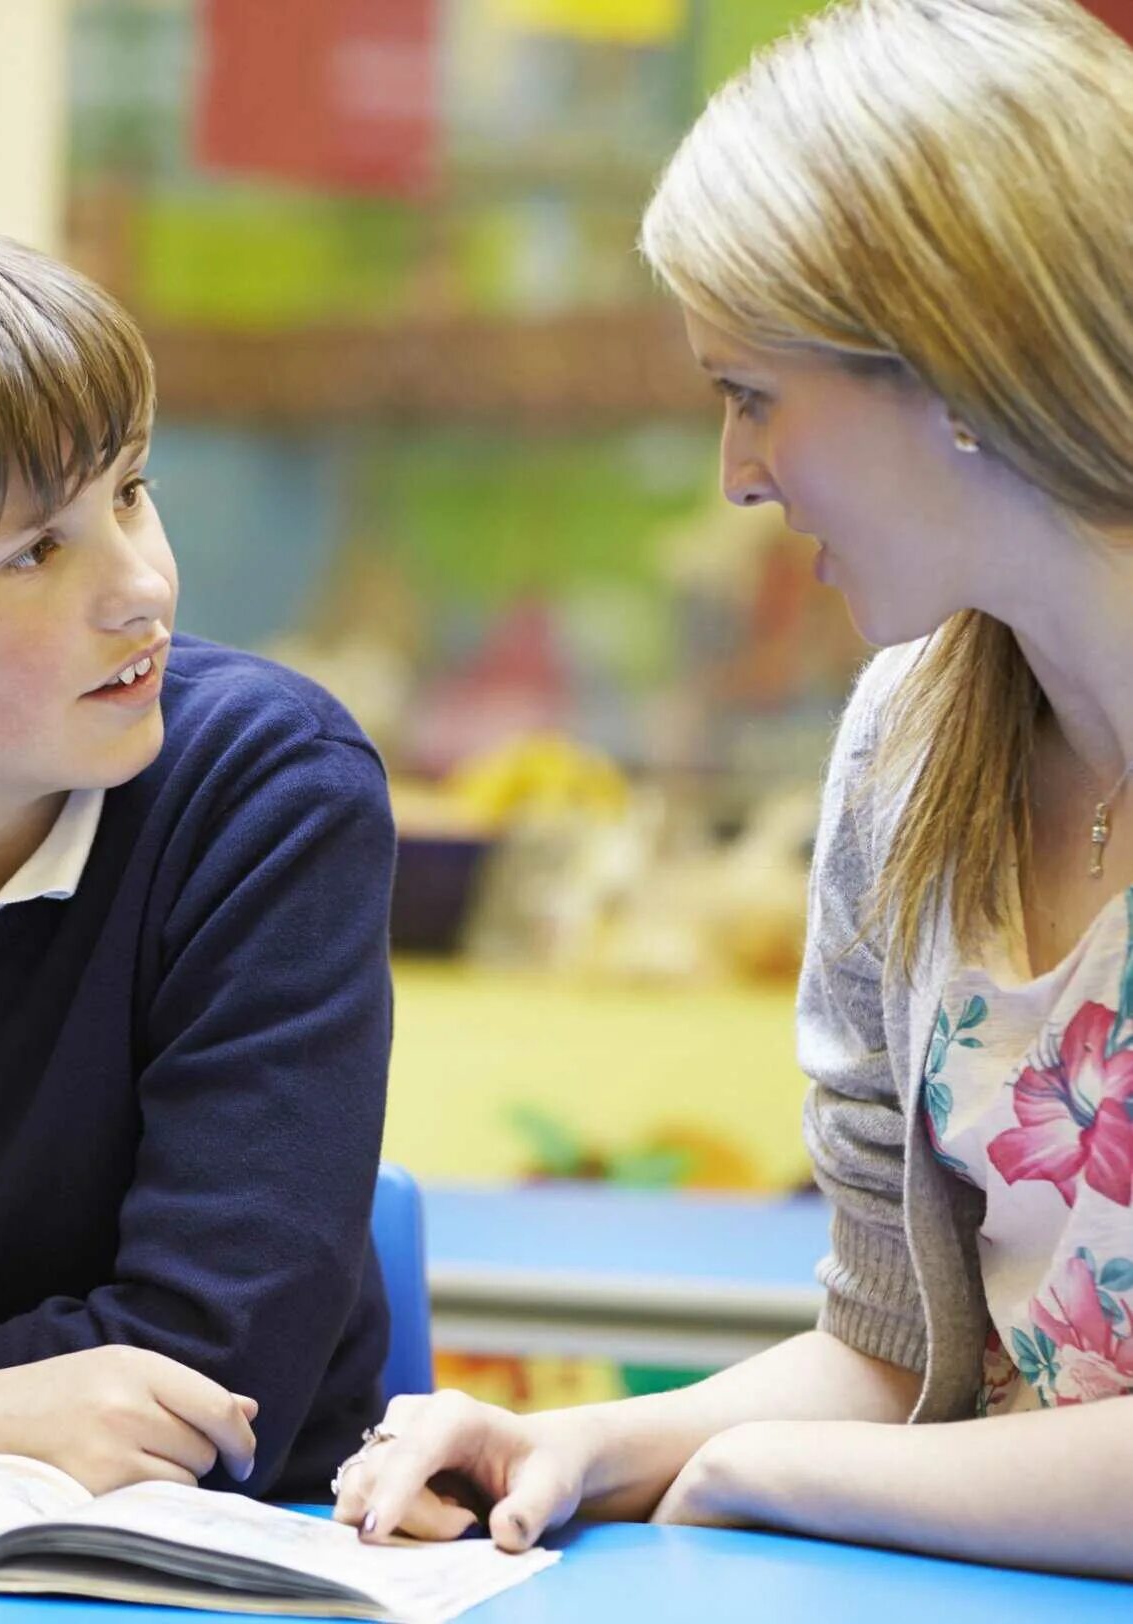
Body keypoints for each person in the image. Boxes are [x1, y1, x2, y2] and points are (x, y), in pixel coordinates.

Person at [333, 0, 1133, 1578]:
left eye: (750, 393)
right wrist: (592, 1448)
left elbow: (859, 1455)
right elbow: (908, 1360)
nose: (736, 477)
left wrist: (781, 1473)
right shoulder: (910, 754)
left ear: (956, 364)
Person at [0, 213, 395, 1501]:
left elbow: (216, 1371)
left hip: (201, 1559)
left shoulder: (267, 787)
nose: (142, 584)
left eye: (131, 491)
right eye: (36, 549)